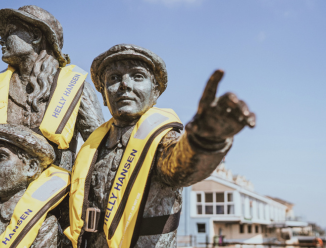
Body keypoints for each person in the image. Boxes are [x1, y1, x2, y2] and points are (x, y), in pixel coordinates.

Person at [65, 44, 256, 248]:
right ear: (103, 94)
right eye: (113, 78)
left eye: (137, 76)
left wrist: (205, 139)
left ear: (155, 93)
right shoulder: (93, 146)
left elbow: (181, 166)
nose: (124, 85)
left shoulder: (161, 140)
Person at [0, 5, 104, 221]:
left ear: (36, 36)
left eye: (9, 33)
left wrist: (94, 212)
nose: (1, 40)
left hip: (53, 213)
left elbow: (100, 151)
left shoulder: (75, 87)